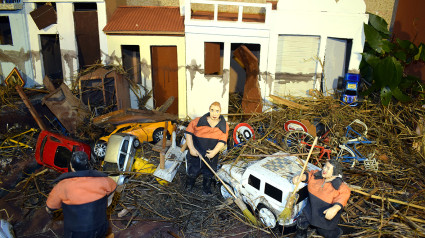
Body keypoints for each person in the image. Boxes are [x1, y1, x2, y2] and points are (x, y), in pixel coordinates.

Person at [46, 151, 117, 238]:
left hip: (76, 233)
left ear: (71, 166)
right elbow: (113, 187)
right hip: (100, 228)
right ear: (88, 164)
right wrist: (107, 202)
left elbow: (50, 207)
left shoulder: (62, 186)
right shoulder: (103, 180)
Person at [292, 159, 350, 238]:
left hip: (323, 215)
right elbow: (309, 176)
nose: (324, 169)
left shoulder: (340, 187)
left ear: (335, 172)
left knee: (325, 232)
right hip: (310, 210)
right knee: (301, 223)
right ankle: (301, 236)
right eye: (325, 166)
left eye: (328, 168)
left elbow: (342, 197)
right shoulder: (317, 176)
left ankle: (337, 232)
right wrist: (301, 177)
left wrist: (335, 208)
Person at [185, 101, 229, 195]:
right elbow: (188, 134)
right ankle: (189, 185)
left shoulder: (224, 126)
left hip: (211, 153)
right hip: (197, 151)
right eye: (212, 110)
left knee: (209, 171)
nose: (214, 113)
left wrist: (214, 152)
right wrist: (191, 148)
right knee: (193, 169)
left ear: (220, 112)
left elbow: (222, 141)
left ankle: (206, 188)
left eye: (217, 111)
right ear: (209, 110)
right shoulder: (198, 121)